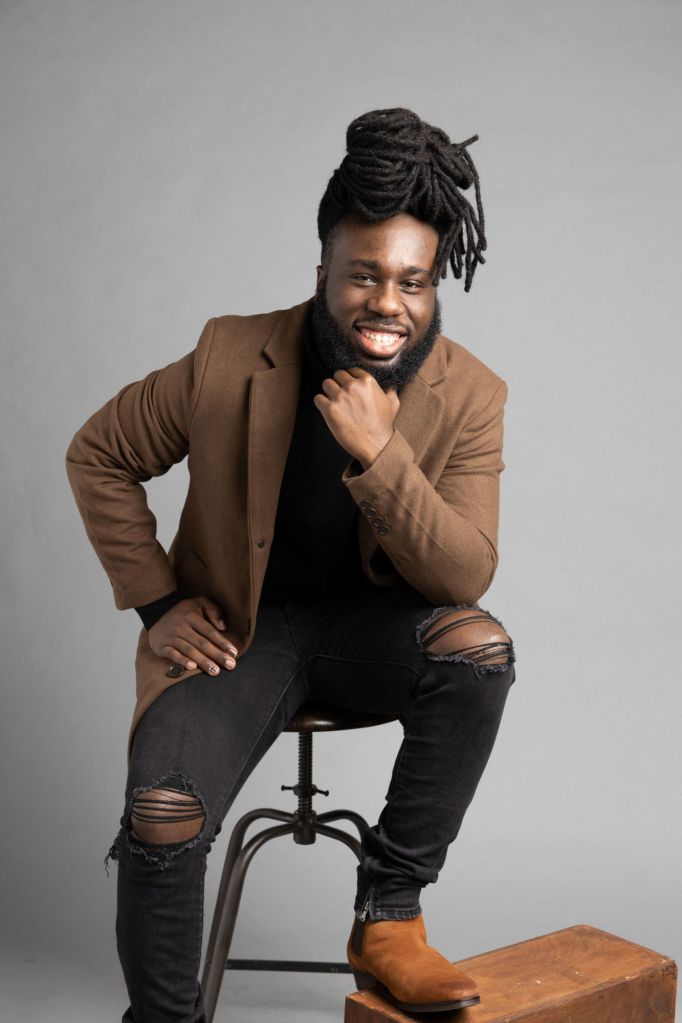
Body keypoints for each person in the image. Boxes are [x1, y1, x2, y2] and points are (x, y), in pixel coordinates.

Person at [66, 107, 516, 1022]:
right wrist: (157, 602)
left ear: (435, 289)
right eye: (364, 275)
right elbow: (99, 452)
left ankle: (389, 915)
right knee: (161, 814)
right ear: (322, 274)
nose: (388, 303)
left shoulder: (470, 394)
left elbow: (465, 573)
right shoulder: (229, 354)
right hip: (241, 634)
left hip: (371, 638)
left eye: (414, 282)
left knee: (479, 648)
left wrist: (379, 452)